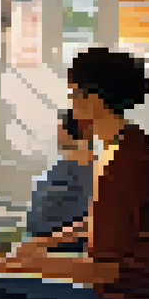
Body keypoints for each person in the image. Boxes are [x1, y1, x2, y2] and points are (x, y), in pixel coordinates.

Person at [0, 47, 149, 299]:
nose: (70, 102)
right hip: (141, 289)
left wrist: (33, 264)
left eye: (74, 93)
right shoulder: (127, 143)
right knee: (14, 297)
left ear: (93, 99)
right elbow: (103, 218)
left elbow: (104, 270)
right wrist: (45, 243)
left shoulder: (121, 167)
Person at [25, 109, 93, 254]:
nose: (57, 135)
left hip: (57, 249)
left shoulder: (83, 170)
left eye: (60, 127)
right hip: (43, 245)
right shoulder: (67, 166)